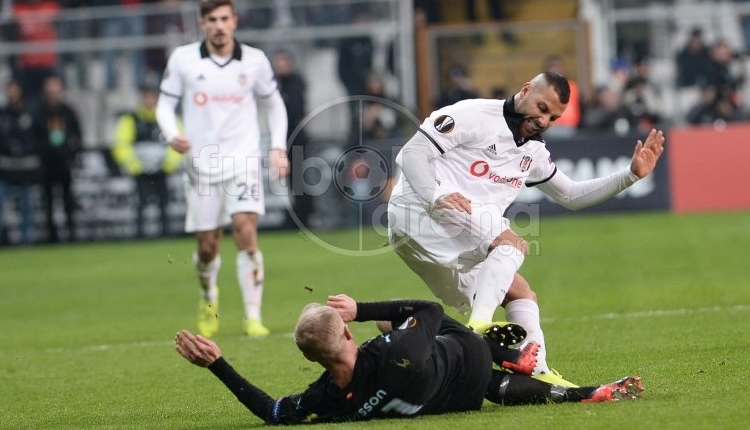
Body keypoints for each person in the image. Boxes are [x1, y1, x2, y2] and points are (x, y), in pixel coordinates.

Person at [387, 72, 665, 387]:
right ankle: (479, 326)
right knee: (511, 244)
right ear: (526, 90)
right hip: (422, 209)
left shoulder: (532, 152)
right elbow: (413, 153)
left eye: (553, 117)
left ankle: (538, 371)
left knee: (521, 292)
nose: (544, 119)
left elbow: (571, 195)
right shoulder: (474, 114)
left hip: (438, 239)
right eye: (541, 107)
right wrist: (435, 196)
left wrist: (629, 176)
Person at [175, 294, 643, 425]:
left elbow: (271, 412)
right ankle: (506, 349)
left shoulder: (327, 400)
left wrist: (218, 363)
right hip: (466, 355)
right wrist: (363, 310)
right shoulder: (392, 351)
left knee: (485, 387)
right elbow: (430, 311)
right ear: (343, 332)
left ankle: (577, 392)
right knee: (415, 323)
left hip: (459, 401)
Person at [156, 0, 289, 338]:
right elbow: (164, 105)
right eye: (212, 19)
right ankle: (207, 298)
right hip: (201, 165)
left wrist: (277, 147)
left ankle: (253, 316)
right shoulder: (183, 59)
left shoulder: (255, 60)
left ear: (235, 21)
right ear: (202, 23)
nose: (219, 25)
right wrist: (172, 135)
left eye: (224, 19)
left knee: (246, 230)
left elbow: (274, 104)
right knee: (207, 245)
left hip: (243, 161)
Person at [111, 83, 182, 238]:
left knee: (164, 203)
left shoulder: (167, 118)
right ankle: (139, 234)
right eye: (145, 96)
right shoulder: (131, 119)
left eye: (151, 96)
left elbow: (178, 140)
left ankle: (166, 233)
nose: (148, 100)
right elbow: (121, 143)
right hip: (140, 169)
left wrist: (168, 164)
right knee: (141, 202)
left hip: (162, 169)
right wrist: (135, 165)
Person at [33, 74, 82, 244]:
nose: (53, 91)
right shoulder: (39, 113)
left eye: (56, 87)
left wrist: (72, 156)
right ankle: (51, 237)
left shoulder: (68, 112)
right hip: (47, 165)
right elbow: (35, 138)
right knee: (49, 202)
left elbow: (77, 136)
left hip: (64, 164)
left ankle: (71, 234)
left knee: (67, 200)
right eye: (50, 87)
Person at [0, 78, 40, 245]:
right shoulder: (3, 114)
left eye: (14, 89)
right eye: (9, 90)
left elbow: (36, 136)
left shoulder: (30, 112)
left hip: (26, 165)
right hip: (5, 165)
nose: (12, 93)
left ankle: (26, 236)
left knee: (26, 205)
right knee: (2, 201)